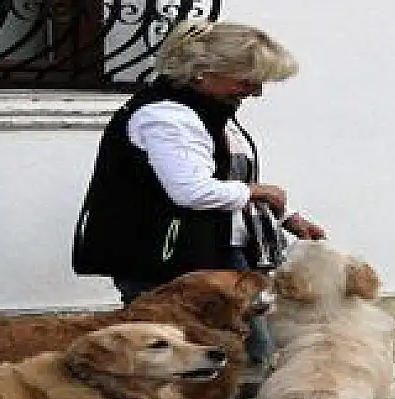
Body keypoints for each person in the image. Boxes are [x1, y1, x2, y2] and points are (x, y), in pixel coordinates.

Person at [71, 19, 325, 379]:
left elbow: (228, 182)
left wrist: (285, 217)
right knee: (185, 371)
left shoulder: (210, 113)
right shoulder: (167, 116)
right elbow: (192, 191)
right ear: (204, 72)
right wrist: (257, 191)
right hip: (167, 263)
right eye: (247, 79)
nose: (255, 92)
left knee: (245, 361)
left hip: (213, 256)